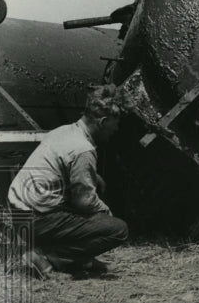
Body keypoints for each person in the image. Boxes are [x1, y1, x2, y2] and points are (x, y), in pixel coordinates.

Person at [8, 84, 131, 278]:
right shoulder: (83, 149)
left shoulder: (64, 131)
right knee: (117, 229)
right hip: (36, 219)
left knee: (95, 193)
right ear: (103, 121)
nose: (116, 129)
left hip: (20, 210)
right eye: (115, 123)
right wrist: (106, 212)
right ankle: (51, 257)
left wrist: (94, 178)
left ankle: (76, 257)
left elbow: (62, 166)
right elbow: (84, 202)